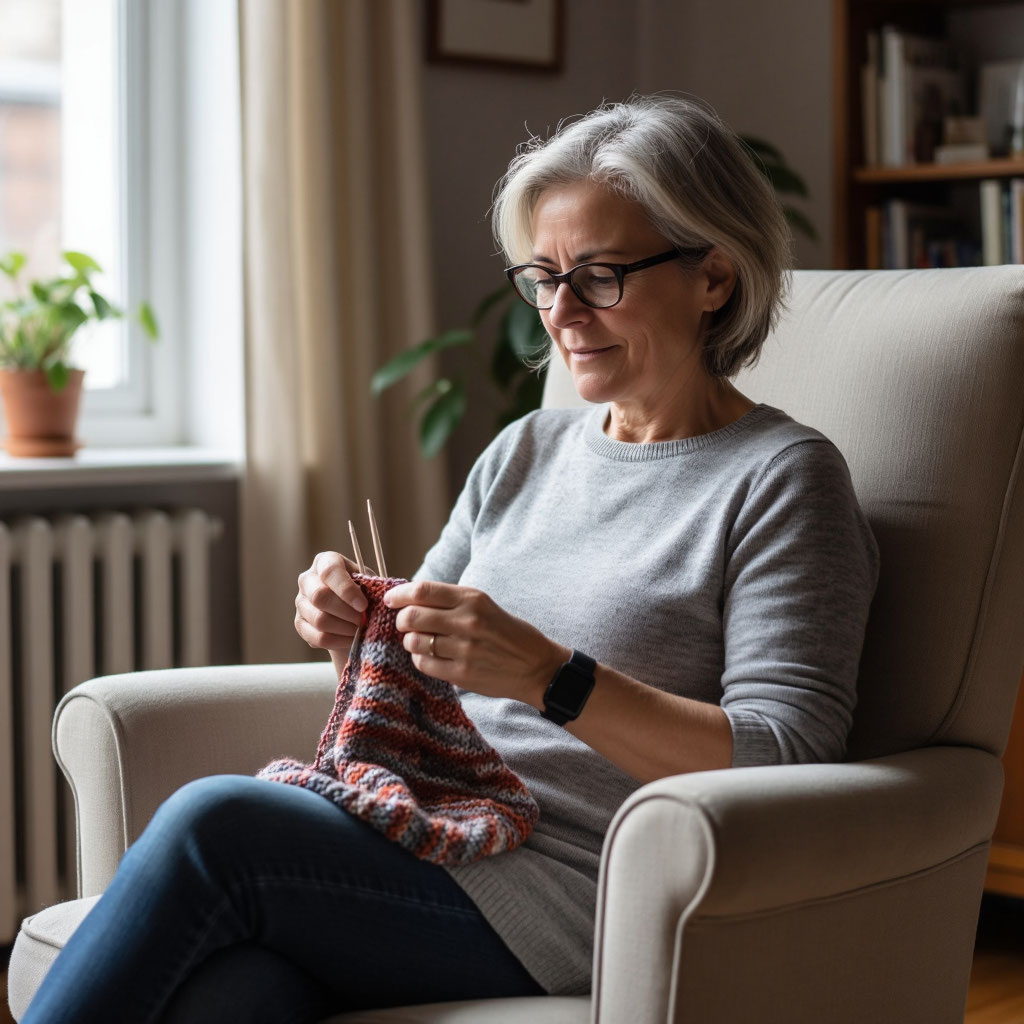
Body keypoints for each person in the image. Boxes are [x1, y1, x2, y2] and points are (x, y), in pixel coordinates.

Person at [22, 93, 878, 1022]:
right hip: (433, 829)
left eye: (600, 275)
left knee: (213, 824)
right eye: (543, 277)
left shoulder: (783, 479)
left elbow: (786, 758)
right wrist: (353, 629)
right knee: (230, 995)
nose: (562, 313)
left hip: (580, 887)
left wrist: (552, 676)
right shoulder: (524, 452)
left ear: (713, 276)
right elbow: (420, 668)